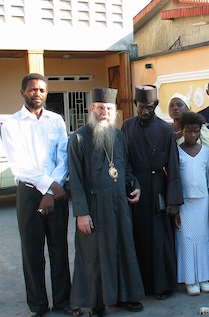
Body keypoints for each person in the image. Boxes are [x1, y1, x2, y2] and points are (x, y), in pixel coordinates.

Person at [1, 73, 81, 317]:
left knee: (59, 250)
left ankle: (62, 301)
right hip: (28, 194)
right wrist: (49, 187)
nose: (38, 94)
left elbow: (63, 157)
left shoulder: (56, 121)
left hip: (55, 193)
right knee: (32, 252)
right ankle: (37, 306)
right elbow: (20, 165)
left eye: (42, 90)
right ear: (23, 92)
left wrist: (52, 188)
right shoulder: (12, 124)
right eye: (33, 89)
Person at [67, 88, 144, 316]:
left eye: (109, 109)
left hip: (120, 205)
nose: (105, 112)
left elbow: (126, 168)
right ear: (92, 109)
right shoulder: (79, 138)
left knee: (123, 249)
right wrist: (81, 213)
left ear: (115, 112)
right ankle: (97, 302)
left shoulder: (119, 136)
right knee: (94, 256)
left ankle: (124, 296)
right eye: (100, 107)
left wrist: (136, 186)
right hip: (93, 207)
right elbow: (76, 179)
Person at [121, 85, 183, 300]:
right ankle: (141, 286)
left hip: (158, 187)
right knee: (138, 236)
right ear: (136, 105)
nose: (144, 111)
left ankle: (163, 286)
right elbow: (123, 161)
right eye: (140, 107)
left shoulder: (165, 129)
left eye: (148, 107)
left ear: (155, 105)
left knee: (159, 238)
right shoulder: (127, 126)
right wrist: (129, 184)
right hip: (134, 187)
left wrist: (173, 201)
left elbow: (173, 166)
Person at [175, 111, 209, 296]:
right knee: (185, 241)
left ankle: (204, 278)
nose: (192, 135)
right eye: (188, 131)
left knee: (203, 239)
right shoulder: (176, 151)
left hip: (202, 203)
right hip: (184, 204)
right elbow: (173, 180)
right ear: (182, 131)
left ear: (200, 131)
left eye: (196, 131)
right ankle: (190, 280)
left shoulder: (207, 152)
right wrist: (175, 207)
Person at [168, 92, 209, 158]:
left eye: (179, 105)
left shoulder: (202, 129)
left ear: (188, 109)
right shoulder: (166, 130)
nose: (175, 108)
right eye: (171, 106)